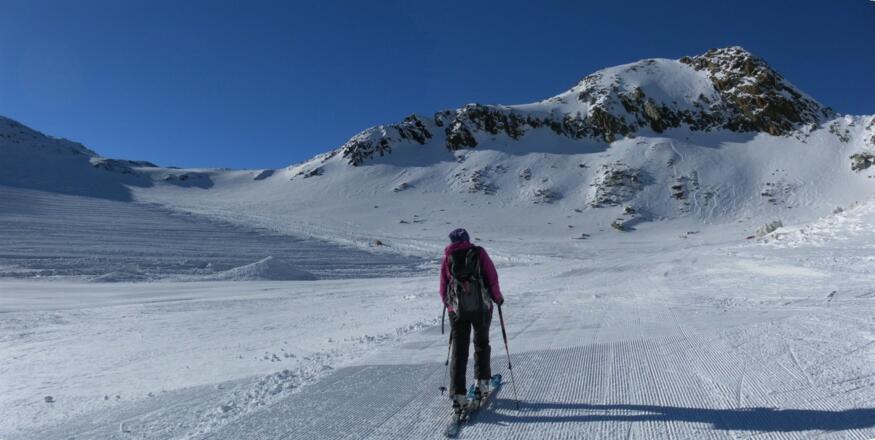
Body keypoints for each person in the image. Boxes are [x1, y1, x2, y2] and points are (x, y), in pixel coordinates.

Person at [439, 228, 504, 413]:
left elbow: (443, 288)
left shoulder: (448, 257)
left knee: (459, 350)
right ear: (467, 239)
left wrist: (451, 306)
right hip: (482, 308)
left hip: (458, 311)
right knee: (481, 343)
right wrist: (497, 298)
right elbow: (492, 278)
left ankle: (458, 395)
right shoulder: (478, 253)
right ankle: (482, 384)